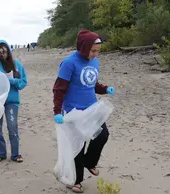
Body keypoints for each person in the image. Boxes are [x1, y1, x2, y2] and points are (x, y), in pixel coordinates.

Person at [52, 30, 115, 193]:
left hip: (92, 108)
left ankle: (90, 162)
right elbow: (59, 89)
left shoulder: (95, 62)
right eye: (93, 51)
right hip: (73, 111)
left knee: (102, 135)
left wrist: (105, 89)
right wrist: (57, 111)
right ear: (83, 47)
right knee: (78, 146)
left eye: (98, 51)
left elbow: (91, 83)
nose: (95, 54)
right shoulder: (69, 63)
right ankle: (77, 181)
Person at [0, 40, 27, 163]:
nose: (2, 54)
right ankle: (0, 153)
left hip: (12, 101)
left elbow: (23, 82)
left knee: (12, 126)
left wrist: (12, 81)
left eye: (4, 51)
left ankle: (15, 154)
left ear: (8, 51)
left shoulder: (17, 65)